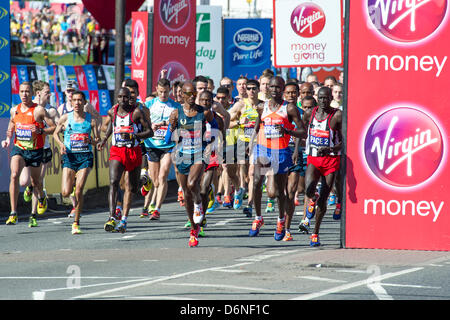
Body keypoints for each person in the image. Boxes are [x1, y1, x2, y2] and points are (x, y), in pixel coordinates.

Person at [248, 76, 306, 240]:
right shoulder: (261, 106)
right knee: (256, 180)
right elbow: (258, 125)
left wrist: (287, 132)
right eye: (271, 87)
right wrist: (251, 143)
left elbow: (303, 132)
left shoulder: (290, 109)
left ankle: (281, 220)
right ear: (266, 88)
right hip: (263, 149)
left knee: (280, 192)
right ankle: (258, 218)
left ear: (282, 89)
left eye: (278, 87)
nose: (274, 90)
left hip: (281, 151)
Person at [166, 82, 218, 247]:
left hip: (199, 153)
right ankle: (193, 229)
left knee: (192, 183)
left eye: (192, 93)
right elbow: (168, 137)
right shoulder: (176, 113)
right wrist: (170, 129)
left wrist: (212, 144)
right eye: (187, 94)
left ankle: (198, 205)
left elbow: (217, 129)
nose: (190, 97)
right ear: (182, 94)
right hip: (182, 155)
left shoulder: (205, 113)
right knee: (186, 193)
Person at [98, 87, 153, 233]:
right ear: (117, 98)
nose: (123, 100)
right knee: (113, 182)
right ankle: (112, 217)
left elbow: (150, 131)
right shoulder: (112, 111)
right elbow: (112, 125)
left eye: (125, 97)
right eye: (120, 97)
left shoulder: (136, 112)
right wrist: (104, 140)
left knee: (132, 187)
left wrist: (136, 136)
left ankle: (144, 180)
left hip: (133, 151)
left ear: (129, 98)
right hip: (117, 151)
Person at [1, 82, 56, 226]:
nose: (24, 94)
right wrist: (8, 139)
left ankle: (42, 196)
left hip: (35, 150)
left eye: (27, 91)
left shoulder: (39, 110)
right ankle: (13, 213)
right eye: (22, 91)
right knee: (14, 175)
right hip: (19, 148)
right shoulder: (15, 110)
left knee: (35, 182)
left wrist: (41, 131)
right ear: (18, 93)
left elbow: (53, 127)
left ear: (32, 94)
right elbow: (12, 125)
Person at [53, 91, 99, 234]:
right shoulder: (65, 118)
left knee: (79, 190)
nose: (77, 103)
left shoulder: (91, 120)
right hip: (70, 157)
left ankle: (76, 223)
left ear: (85, 103)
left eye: (80, 100)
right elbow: (55, 133)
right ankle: (72, 183)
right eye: (75, 100)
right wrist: (61, 144)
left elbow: (97, 140)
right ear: (71, 103)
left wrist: (90, 141)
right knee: (65, 192)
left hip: (85, 157)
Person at [303, 86, 343, 247]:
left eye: (326, 98)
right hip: (314, 157)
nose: (323, 101)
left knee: (324, 198)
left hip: (331, 160)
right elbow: (304, 132)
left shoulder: (337, 115)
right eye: (320, 98)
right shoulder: (309, 114)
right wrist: (288, 132)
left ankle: (315, 233)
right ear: (316, 98)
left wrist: (331, 149)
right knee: (308, 188)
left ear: (330, 98)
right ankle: (313, 197)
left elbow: (346, 140)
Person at [20, 80, 59, 226]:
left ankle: (33, 215)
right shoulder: (30, 106)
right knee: (26, 181)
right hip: (28, 148)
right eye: (47, 92)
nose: (49, 94)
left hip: (44, 149)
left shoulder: (51, 110)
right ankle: (32, 191)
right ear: (38, 93)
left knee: (38, 181)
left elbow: (57, 126)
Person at [143, 78, 179, 220]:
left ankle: (157, 209)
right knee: (155, 180)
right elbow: (141, 120)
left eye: (166, 92)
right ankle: (149, 188)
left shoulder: (175, 106)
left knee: (163, 175)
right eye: (161, 92)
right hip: (152, 145)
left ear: (170, 90)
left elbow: (179, 122)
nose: (163, 94)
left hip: (168, 146)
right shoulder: (149, 104)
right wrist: (149, 126)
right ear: (157, 90)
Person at [227, 79, 262, 216]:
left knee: (252, 173)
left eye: (254, 88)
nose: (252, 91)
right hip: (240, 142)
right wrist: (237, 122)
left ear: (258, 90)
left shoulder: (263, 106)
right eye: (249, 89)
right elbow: (225, 121)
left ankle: (250, 205)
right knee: (231, 172)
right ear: (245, 91)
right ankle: (238, 189)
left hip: (256, 143)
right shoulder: (240, 105)